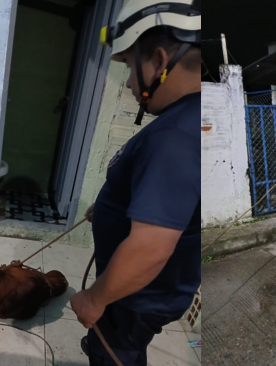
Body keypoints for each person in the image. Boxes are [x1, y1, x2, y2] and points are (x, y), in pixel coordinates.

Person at [68, 1, 201, 365]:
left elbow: (150, 248)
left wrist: (94, 299)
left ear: (158, 61)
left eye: (129, 66)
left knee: (116, 352)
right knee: (118, 343)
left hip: (136, 297)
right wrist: (113, 208)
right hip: (142, 292)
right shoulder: (184, 121)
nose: (127, 82)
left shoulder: (176, 137)